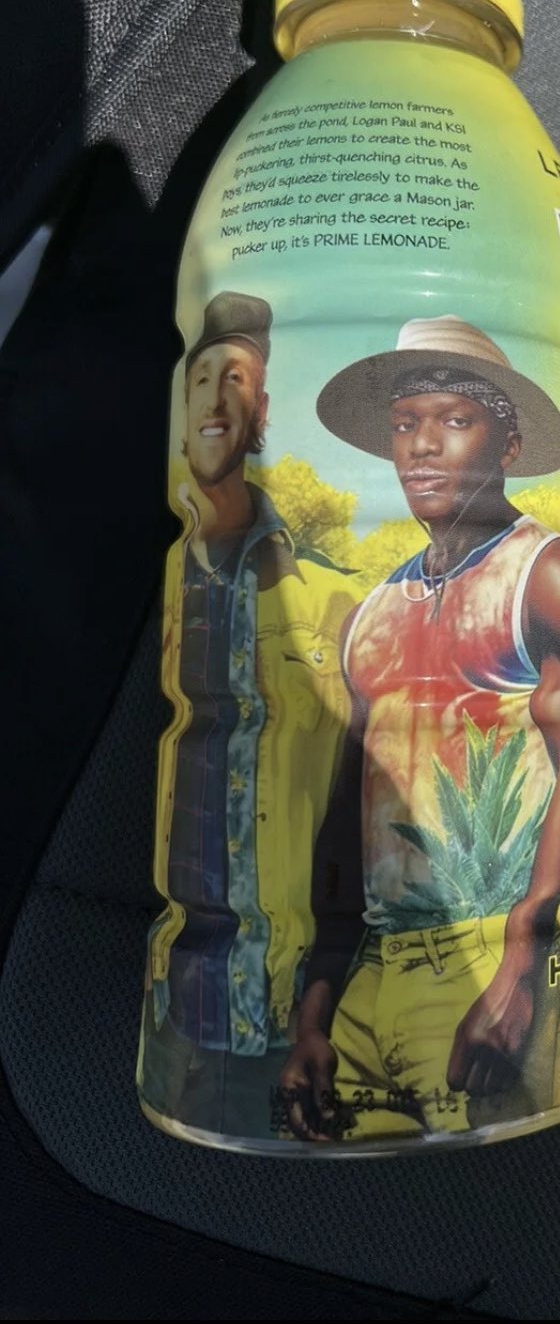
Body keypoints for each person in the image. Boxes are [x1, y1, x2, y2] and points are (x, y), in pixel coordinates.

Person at [280, 316, 560, 1140]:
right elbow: (348, 819)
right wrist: (317, 1010)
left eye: (455, 420)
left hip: (478, 969)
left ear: (508, 442)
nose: (423, 445)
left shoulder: (543, 573)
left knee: (472, 1185)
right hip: (368, 981)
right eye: (405, 423)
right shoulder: (373, 612)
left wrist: (522, 966)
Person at [141, 291, 358, 1137]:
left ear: (262, 412)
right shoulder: (155, 582)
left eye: (236, 378)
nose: (216, 398)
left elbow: (349, 838)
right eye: (200, 377)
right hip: (170, 1011)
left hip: (281, 1027)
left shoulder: (332, 601)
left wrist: (316, 1018)